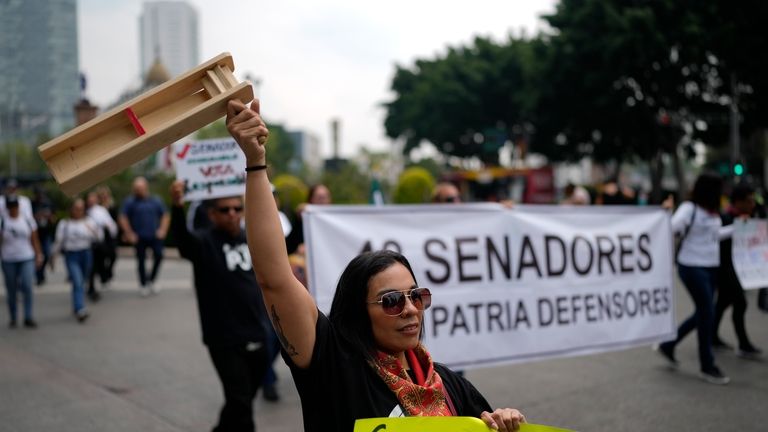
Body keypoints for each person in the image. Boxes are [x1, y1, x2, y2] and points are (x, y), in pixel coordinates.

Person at [226, 99, 526, 432]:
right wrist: (256, 163)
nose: (411, 309)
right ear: (358, 311)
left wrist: (503, 422)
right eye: (393, 301)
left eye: (416, 296)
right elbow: (275, 279)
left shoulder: (451, 386)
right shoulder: (335, 367)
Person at [169, 181, 270, 432]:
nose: (233, 213)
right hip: (224, 339)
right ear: (212, 214)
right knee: (241, 401)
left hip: (258, 333)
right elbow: (182, 241)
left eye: (237, 208)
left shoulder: (251, 238)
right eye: (225, 210)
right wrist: (177, 206)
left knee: (241, 400)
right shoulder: (203, 242)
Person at [657, 173, 733, 385]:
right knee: (707, 312)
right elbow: (671, 228)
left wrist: (738, 228)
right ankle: (707, 365)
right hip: (691, 267)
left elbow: (715, 235)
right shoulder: (689, 209)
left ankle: (669, 344)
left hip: (710, 267)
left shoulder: (711, 212)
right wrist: (666, 212)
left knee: (703, 312)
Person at [712, 183, 762, 358]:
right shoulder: (725, 219)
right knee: (740, 302)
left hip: (738, 269)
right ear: (738, 202)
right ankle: (743, 344)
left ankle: (712, 337)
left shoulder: (750, 217)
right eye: (748, 201)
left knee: (722, 303)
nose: (752, 204)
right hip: (725, 270)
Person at [118, 177, 170, 297]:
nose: (136, 191)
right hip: (139, 237)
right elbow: (123, 217)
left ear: (145, 187)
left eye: (139, 189)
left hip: (154, 236)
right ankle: (143, 284)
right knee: (141, 261)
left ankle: (151, 279)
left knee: (159, 255)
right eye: (135, 189)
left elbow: (165, 215)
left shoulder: (156, 200)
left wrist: (162, 230)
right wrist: (129, 233)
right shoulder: (130, 201)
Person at [53, 198, 101, 323]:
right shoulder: (65, 224)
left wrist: (92, 230)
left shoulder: (89, 222)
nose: (79, 211)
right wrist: (53, 258)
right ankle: (80, 309)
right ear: (71, 210)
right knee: (78, 281)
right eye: (77, 209)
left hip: (86, 254)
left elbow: (99, 237)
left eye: (81, 209)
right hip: (71, 255)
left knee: (81, 282)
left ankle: (76, 306)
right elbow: (59, 242)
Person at [1, 195, 43, 328]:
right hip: (8, 259)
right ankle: (13, 316)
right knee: (11, 288)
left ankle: (28, 316)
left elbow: (34, 239)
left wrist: (38, 255)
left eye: (15, 206)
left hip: (26, 257)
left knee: (26, 285)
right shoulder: (3, 221)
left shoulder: (27, 220)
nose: (13, 209)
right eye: (11, 207)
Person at [86, 191, 118, 301]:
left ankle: (101, 280)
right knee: (92, 267)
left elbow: (110, 224)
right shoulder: (84, 211)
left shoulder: (100, 210)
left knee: (100, 263)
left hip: (98, 243)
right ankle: (91, 287)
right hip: (87, 243)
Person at [285, 183, 332, 255]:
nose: (323, 201)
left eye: (326, 197)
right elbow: (289, 246)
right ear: (311, 200)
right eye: (320, 198)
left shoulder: (334, 222)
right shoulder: (302, 221)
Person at [31, 186, 56, 285]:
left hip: (46, 232)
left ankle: (41, 272)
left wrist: (49, 217)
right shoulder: (31, 204)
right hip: (35, 233)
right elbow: (28, 217)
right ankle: (38, 275)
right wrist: (39, 215)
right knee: (36, 255)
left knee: (46, 253)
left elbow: (54, 217)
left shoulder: (48, 203)